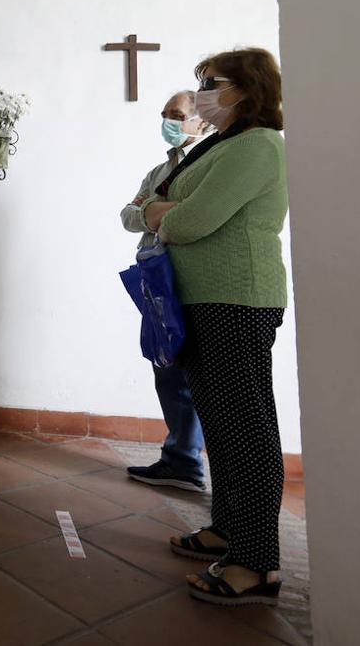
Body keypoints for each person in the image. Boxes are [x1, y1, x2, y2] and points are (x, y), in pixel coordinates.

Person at [140, 47, 288, 606]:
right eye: (200, 81)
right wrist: (163, 209)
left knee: (244, 427)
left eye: (211, 82)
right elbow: (159, 200)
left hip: (237, 300)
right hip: (205, 299)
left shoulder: (257, 146)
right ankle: (228, 529)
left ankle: (256, 562)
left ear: (248, 90)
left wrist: (162, 214)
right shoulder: (220, 143)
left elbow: (190, 220)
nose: (200, 91)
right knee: (221, 423)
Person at [120, 91, 210, 492]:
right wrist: (152, 213)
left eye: (176, 115)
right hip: (157, 279)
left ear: (201, 121)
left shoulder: (208, 162)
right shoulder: (160, 171)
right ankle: (179, 458)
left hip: (191, 277)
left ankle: (188, 460)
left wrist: (154, 214)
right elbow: (129, 215)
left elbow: (190, 216)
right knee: (166, 367)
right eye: (165, 115)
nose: (168, 122)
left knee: (193, 374)